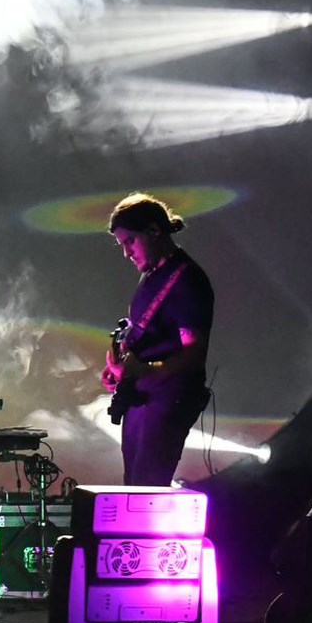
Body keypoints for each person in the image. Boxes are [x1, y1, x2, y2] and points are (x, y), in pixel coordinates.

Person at [101, 192, 213, 486]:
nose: (126, 253)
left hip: (166, 400)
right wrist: (122, 369)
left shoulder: (187, 279)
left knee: (146, 488)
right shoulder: (151, 276)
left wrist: (145, 370)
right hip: (142, 399)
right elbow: (148, 333)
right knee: (134, 487)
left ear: (153, 231)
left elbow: (194, 354)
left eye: (130, 241)